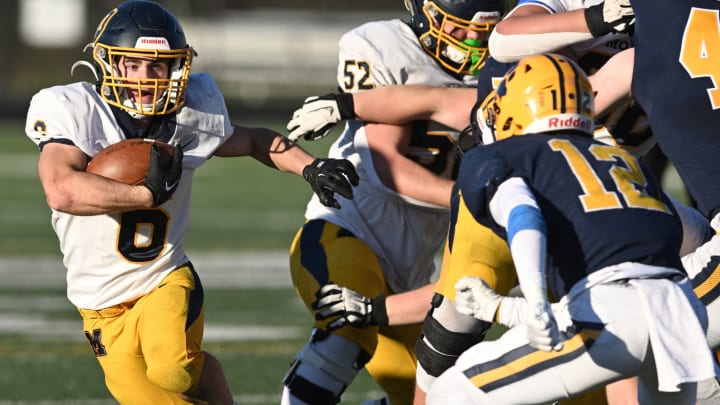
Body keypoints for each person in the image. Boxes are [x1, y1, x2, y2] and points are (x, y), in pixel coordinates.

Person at [23, 2, 359, 404]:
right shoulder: (75, 111)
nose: (146, 78)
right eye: (133, 64)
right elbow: (61, 189)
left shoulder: (189, 115)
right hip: (99, 306)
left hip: (162, 279)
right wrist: (142, 195)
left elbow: (252, 140)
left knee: (174, 370)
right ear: (109, 64)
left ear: (176, 70)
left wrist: (310, 167)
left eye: (158, 66)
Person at [423, 52, 717, 405]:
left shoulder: (508, 155)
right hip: (682, 313)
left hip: (611, 312)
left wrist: (531, 300)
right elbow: (691, 230)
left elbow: (523, 214)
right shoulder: (623, 161)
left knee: (450, 393)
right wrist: (507, 310)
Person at [280, 1, 506, 404]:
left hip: (414, 271)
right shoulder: (382, 46)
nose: (473, 41)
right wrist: (469, 201)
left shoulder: (504, 65)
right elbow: (386, 167)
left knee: (448, 395)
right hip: (347, 231)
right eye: (459, 29)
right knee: (344, 330)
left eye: (483, 29)